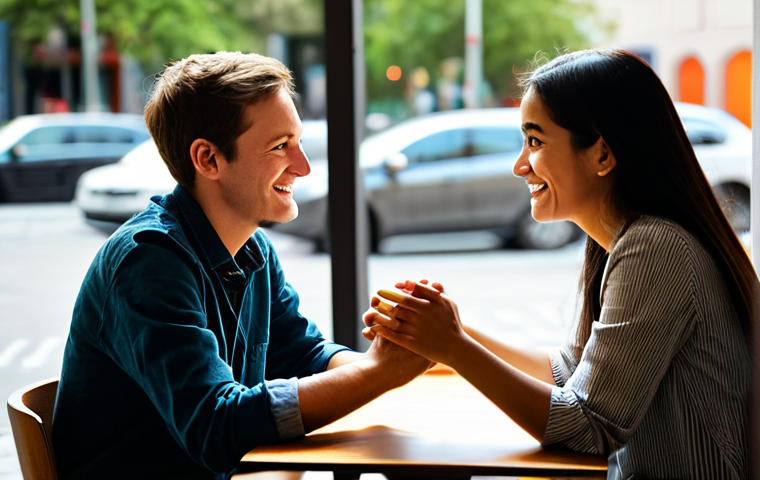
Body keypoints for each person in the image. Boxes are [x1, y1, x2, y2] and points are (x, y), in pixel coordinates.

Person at [364, 48, 756, 479]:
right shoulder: (625, 241)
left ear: (603, 154)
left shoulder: (656, 247)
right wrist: (450, 329)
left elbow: (590, 429)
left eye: (534, 141)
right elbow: (572, 372)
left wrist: (453, 346)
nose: (518, 165)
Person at [52, 51, 432, 480]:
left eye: (299, 142)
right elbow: (215, 426)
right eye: (279, 146)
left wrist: (396, 357)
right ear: (208, 159)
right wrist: (380, 373)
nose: (304, 167)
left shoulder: (254, 250)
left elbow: (304, 354)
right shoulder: (148, 261)